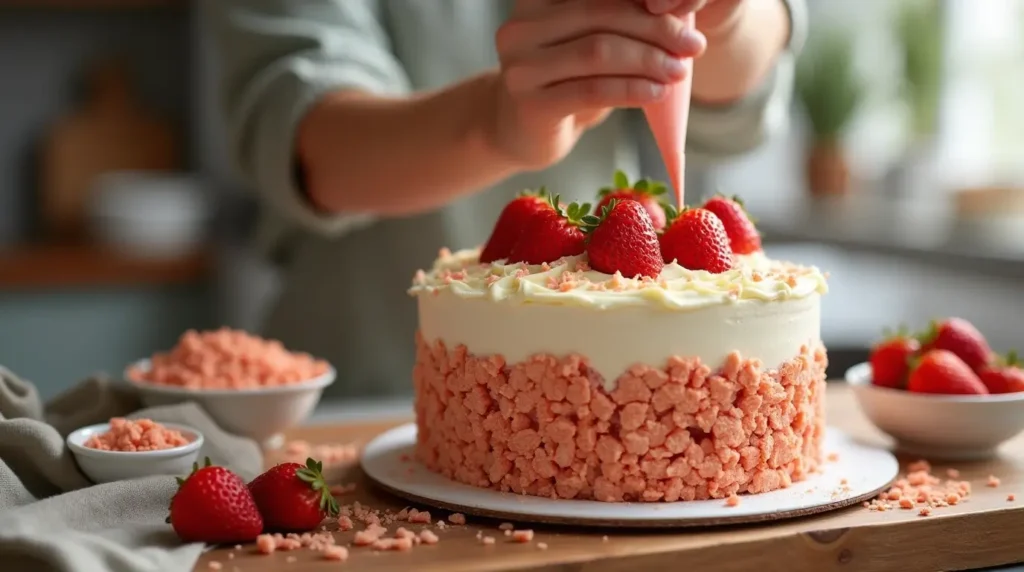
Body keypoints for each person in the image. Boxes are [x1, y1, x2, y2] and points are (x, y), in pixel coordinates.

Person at [205, 0, 807, 398]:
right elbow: (304, 136)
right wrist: (492, 122)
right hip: (370, 397)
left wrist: (722, 19)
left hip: (629, 358)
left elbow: (744, 92)